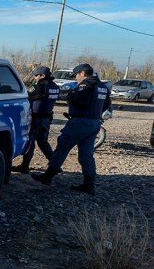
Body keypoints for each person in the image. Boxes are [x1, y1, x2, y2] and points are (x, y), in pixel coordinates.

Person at [31, 63, 110, 195]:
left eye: (76, 75)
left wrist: (70, 97)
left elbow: (81, 101)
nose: (75, 78)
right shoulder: (102, 86)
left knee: (62, 147)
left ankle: (48, 177)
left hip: (80, 122)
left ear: (83, 73)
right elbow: (106, 104)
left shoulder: (86, 85)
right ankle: (89, 185)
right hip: (94, 123)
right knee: (86, 154)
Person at [12, 66, 60, 174]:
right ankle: (55, 164)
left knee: (30, 142)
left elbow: (28, 96)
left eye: (36, 75)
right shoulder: (55, 87)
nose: (35, 78)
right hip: (47, 119)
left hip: (36, 119)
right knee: (43, 142)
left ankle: (24, 167)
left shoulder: (40, 86)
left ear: (42, 76)